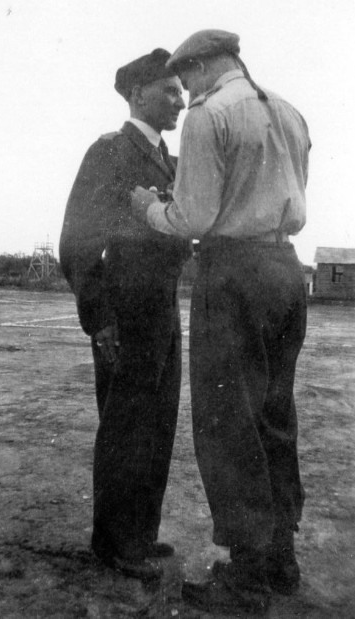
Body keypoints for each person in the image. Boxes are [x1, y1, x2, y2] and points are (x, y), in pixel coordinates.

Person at [131, 29, 311, 613]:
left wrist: (148, 208)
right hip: (287, 270)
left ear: (205, 65)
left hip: (233, 274)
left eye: (188, 80)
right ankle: (280, 559)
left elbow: (193, 216)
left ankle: (248, 574)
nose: (186, 93)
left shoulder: (211, 116)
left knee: (228, 424)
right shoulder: (286, 109)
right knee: (274, 416)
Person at [59, 48, 190, 582]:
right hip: (125, 312)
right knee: (125, 429)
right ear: (138, 94)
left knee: (156, 425)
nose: (181, 99)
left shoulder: (171, 160)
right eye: (169, 90)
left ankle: (139, 533)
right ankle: (113, 542)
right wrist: (100, 319)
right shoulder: (109, 151)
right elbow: (77, 242)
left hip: (163, 308)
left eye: (182, 90)